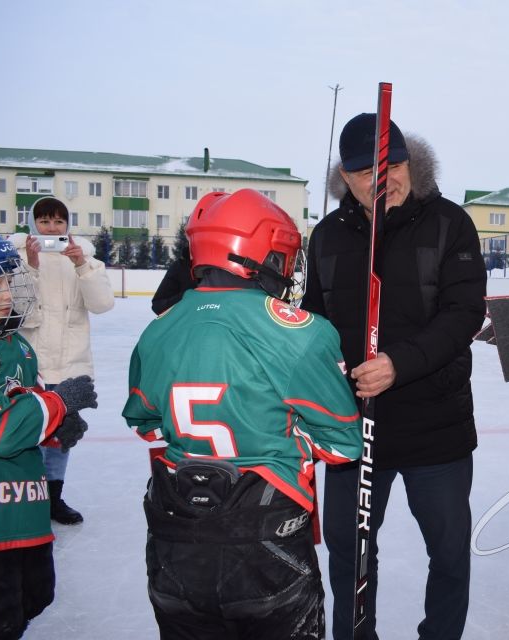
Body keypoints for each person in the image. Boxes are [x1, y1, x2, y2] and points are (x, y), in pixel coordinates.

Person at [122, 189, 362, 640]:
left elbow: (144, 421)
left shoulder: (159, 329)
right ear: (261, 253)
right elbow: (341, 444)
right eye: (284, 256)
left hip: (177, 538)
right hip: (265, 538)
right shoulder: (302, 332)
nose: (288, 268)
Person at [303, 113, 487, 640]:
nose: (386, 180)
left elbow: (463, 313)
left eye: (396, 164)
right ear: (348, 178)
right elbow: (315, 322)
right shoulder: (328, 236)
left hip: (436, 426)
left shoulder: (450, 223)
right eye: (368, 173)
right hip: (354, 428)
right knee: (350, 555)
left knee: (449, 552)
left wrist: (398, 363)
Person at [0, 229, 97, 639]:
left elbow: (17, 405)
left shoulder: (20, 347)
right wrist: (56, 405)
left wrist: (54, 426)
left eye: (6, 284)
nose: (7, 295)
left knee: (35, 598)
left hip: (27, 516)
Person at [9, 196, 114, 525]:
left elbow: (102, 304)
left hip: (70, 364)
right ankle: (31, 496)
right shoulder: (17, 259)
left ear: (67, 226)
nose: (51, 228)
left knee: (62, 437)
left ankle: (54, 497)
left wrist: (81, 265)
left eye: (57, 222)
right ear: (32, 225)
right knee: (31, 436)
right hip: (32, 366)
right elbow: (19, 313)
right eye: (44, 222)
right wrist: (31, 267)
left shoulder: (85, 259)